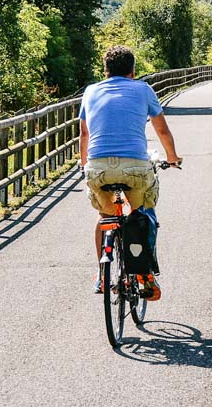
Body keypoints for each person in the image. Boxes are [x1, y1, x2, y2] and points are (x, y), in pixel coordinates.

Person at [79, 45, 181, 294]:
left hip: (98, 168)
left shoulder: (91, 91)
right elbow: (162, 130)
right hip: (135, 167)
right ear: (133, 71)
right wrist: (173, 157)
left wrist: (84, 166)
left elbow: (84, 133)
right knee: (143, 213)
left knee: (104, 217)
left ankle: (102, 276)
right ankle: (145, 273)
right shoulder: (143, 90)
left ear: (105, 71)